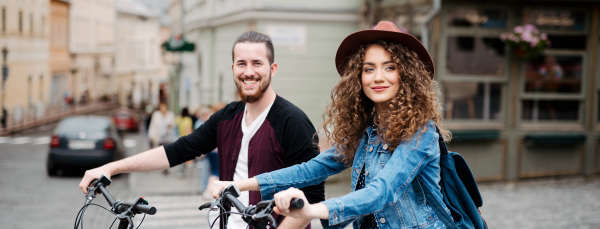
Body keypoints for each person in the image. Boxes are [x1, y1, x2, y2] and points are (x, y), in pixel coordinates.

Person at [211, 21, 453, 229]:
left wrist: (310, 210)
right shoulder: (368, 132)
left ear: (407, 75)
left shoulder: (421, 133)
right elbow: (311, 169)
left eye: (390, 67)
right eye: (369, 69)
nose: (378, 77)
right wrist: (238, 184)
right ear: (359, 78)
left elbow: (380, 192)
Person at [78, 31, 324, 229]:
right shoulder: (227, 117)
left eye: (257, 63)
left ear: (273, 69)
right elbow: (178, 150)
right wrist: (111, 167)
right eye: (242, 63)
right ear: (233, 70)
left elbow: (313, 195)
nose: (249, 71)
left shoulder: (293, 121)